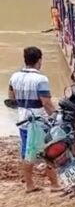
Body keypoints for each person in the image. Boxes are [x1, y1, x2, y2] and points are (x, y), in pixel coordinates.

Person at [8, 47, 60, 193]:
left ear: (25, 59)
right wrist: (56, 117)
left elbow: (11, 100)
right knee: (49, 151)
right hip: (39, 121)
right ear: (39, 60)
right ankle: (54, 184)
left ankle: (29, 185)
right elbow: (46, 104)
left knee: (27, 151)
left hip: (23, 121)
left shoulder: (14, 77)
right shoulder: (41, 79)